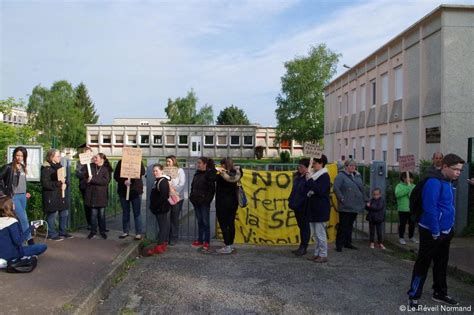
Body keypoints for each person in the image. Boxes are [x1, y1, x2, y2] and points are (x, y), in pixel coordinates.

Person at [407, 154, 465, 308]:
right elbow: (430, 208)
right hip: (431, 232)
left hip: (445, 231)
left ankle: (440, 292)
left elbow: (447, 206)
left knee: (441, 263)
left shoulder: (448, 181)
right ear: (445, 167)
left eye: (460, 170)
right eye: (456, 169)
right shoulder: (433, 182)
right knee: (423, 263)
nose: (458, 172)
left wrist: (449, 228)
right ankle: (413, 295)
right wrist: (435, 231)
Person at [0, 146, 34, 245]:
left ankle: (20, 242)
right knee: (23, 219)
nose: (19, 157)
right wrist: (4, 195)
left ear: (24, 157)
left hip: (23, 197)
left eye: (21, 156)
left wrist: (26, 192)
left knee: (20, 219)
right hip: (13, 197)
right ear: (14, 155)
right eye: (17, 155)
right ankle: (29, 240)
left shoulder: (23, 167)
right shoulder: (8, 167)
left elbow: (21, 182)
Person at [0, 195, 47, 262]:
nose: (14, 204)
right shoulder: (11, 221)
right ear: (10, 206)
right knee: (42, 246)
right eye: (13, 203)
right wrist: (30, 228)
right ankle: (15, 259)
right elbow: (18, 241)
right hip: (11, 253)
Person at [333, 159, 367, 252]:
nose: (353, 167)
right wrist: (342, 198)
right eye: (351, 165)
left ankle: (347, 242)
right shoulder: (341, 176)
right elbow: (336, 188)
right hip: (345, 205)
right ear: (346, 166)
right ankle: (339, 244)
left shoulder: (357, 176)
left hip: (355, 204)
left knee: (350, 225)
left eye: (354, 166)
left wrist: (365, 199)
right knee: (343, 225)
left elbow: (362, 188)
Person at [41, 149, 72, 241]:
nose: (60, 157)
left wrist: (66, 184)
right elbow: (46, 184)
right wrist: (58, 184)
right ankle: (51, 233)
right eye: (58, 156)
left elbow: (64, 179)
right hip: (51, 195)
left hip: (60, 194)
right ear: (51, 157)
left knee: (64, 212)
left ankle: (63, 231)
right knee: (52, 214)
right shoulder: (46, 168)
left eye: (59, 156)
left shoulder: (59, 167)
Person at [305, 155, 331, 263]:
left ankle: (323, 255)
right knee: (315, 234)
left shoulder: (324, 176)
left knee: (320, 234)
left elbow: (320, 191)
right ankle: (317, 254)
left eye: (315, 163)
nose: (313, 165)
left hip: (320, 209)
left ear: (321, 164)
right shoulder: (316, 175)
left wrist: (310, 180)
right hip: (315, 208)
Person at [215, 157, 242, 254]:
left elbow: (211, 177)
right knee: (231, 223)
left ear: (224, 165)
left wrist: (217, 170)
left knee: (223, 224)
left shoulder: (220, 175)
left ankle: (227, 245)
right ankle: (230, 244)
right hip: (233, 202)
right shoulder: (237, 172)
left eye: (221, 164)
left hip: (222, 204)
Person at [189, 156, 217, 251]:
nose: (198, 164)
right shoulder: (197, 174)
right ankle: (200, 240)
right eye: (197, 163)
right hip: (196, 201)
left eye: (199, 163)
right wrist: (191, 196)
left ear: (205, 164)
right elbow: (193, 186)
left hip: (204, 203)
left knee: (205, 222)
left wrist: (206, 201)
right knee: (200, 222)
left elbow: (212, 190)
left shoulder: (209, 175)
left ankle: (206, 241)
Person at [114, 159, 145, 240]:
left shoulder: (138, 161)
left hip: (135, 191)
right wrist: (124, 181)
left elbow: (142, 172)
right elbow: (116, 176)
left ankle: (138, 233)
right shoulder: (121, 162)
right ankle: (125, 231)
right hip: (123, 192)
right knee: (125, 212)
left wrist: (134, 171)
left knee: (137, 213)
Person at [85, 153, 112, 239]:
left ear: (102, 159)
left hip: (101, 196)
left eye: (96, 157)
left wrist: (92, 179)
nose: (95, 159)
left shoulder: (105, 169)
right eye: (95, 157)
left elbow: (105, 181)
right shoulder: (91, 167)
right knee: (93, 215)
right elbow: (86, 178)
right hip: (92, 195)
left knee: (101, 215)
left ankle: (102, 231)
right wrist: (88, 180)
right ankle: (93, 232)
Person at [288, 158, 310, 256]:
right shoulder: (298, 177)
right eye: (299, 166)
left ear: (307, 168)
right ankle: (301, 246)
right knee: (301, 227)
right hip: (297, 205)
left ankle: (304, 247)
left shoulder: (308, 178)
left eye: (301, 166)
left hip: (304, 207)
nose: (299, 168)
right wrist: (291, 201)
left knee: (305, 227)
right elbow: (295, 191)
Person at [149, 164, 171, 254]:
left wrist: (155, 207)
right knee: (164, 226)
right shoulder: (158, 180)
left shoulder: (163, 181)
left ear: (162, 171)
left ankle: (159, 246)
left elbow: (163, 197)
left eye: (156, 171)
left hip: (161, 209)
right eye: (153, 171)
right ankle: (163, 245)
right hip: (160, 208)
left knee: (163, 227)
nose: (154, 173)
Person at [165, 155, 186, 245]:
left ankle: (173, 237)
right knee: (166, 218)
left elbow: (182, 184)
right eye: (166, 161)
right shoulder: (165, 170)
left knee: (174, 218)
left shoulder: (180, 171)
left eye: (169, 161)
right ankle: (165, 237)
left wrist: (173, 190)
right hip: (167, 197)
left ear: (174, 161)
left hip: (177, 198)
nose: (167, 163)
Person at [395, 172, 417, 245]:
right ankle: (401, 237)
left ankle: (411, 237)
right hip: (403, 209)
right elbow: (398, 194)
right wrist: (408, 188)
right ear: (404, 178)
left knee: (412, 224)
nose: (410, 179)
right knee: (402, 224)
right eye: (408, 178)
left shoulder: (414, 186)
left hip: (412, 209)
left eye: (411, 178)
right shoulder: (399, 186)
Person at [75, 146, 94, 230]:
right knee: (87, 205)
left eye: (89, 153)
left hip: (94, 187)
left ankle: (96, 223)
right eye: (86, 154)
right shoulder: (80, 163)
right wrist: (86, 173)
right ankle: (89, 223)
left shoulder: (94, 162)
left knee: (95, 205)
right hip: (85, 186)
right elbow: (78, 174)